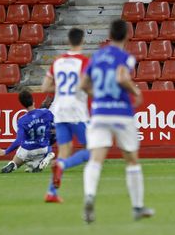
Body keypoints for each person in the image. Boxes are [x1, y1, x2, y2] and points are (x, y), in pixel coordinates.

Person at [79, 19, 153, 223]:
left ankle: (90, 195)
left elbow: (83, 84)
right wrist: (136, 91)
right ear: (127, 36)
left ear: (109, 35)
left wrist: (98, 95)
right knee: (131, 160)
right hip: (121, 112)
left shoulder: (96, 56)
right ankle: (137, 207)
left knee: (96, 159)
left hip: (99, 112)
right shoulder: (125, 57)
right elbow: (121, 78)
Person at [41, 28, 90, 203]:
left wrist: (61, 88)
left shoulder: (58, 62)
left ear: (68, 41)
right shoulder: (84, 62)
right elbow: (86, 86)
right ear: (82, 41)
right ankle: (62, 165)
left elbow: (45, 87)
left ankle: (51, 192)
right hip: (76, 111)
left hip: (59, 111)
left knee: (64, 149)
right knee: (91, 151)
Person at [0, 90, 55, 173]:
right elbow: (56, 125)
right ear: (33, 100)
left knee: (18, 159)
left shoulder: (22, 120)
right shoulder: (46, 113)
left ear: (22, 105)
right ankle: (41, 161)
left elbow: (19, 140)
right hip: (43, 148)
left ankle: (14, 164)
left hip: (27, 149)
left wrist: (5, 151)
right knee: (47, 148)